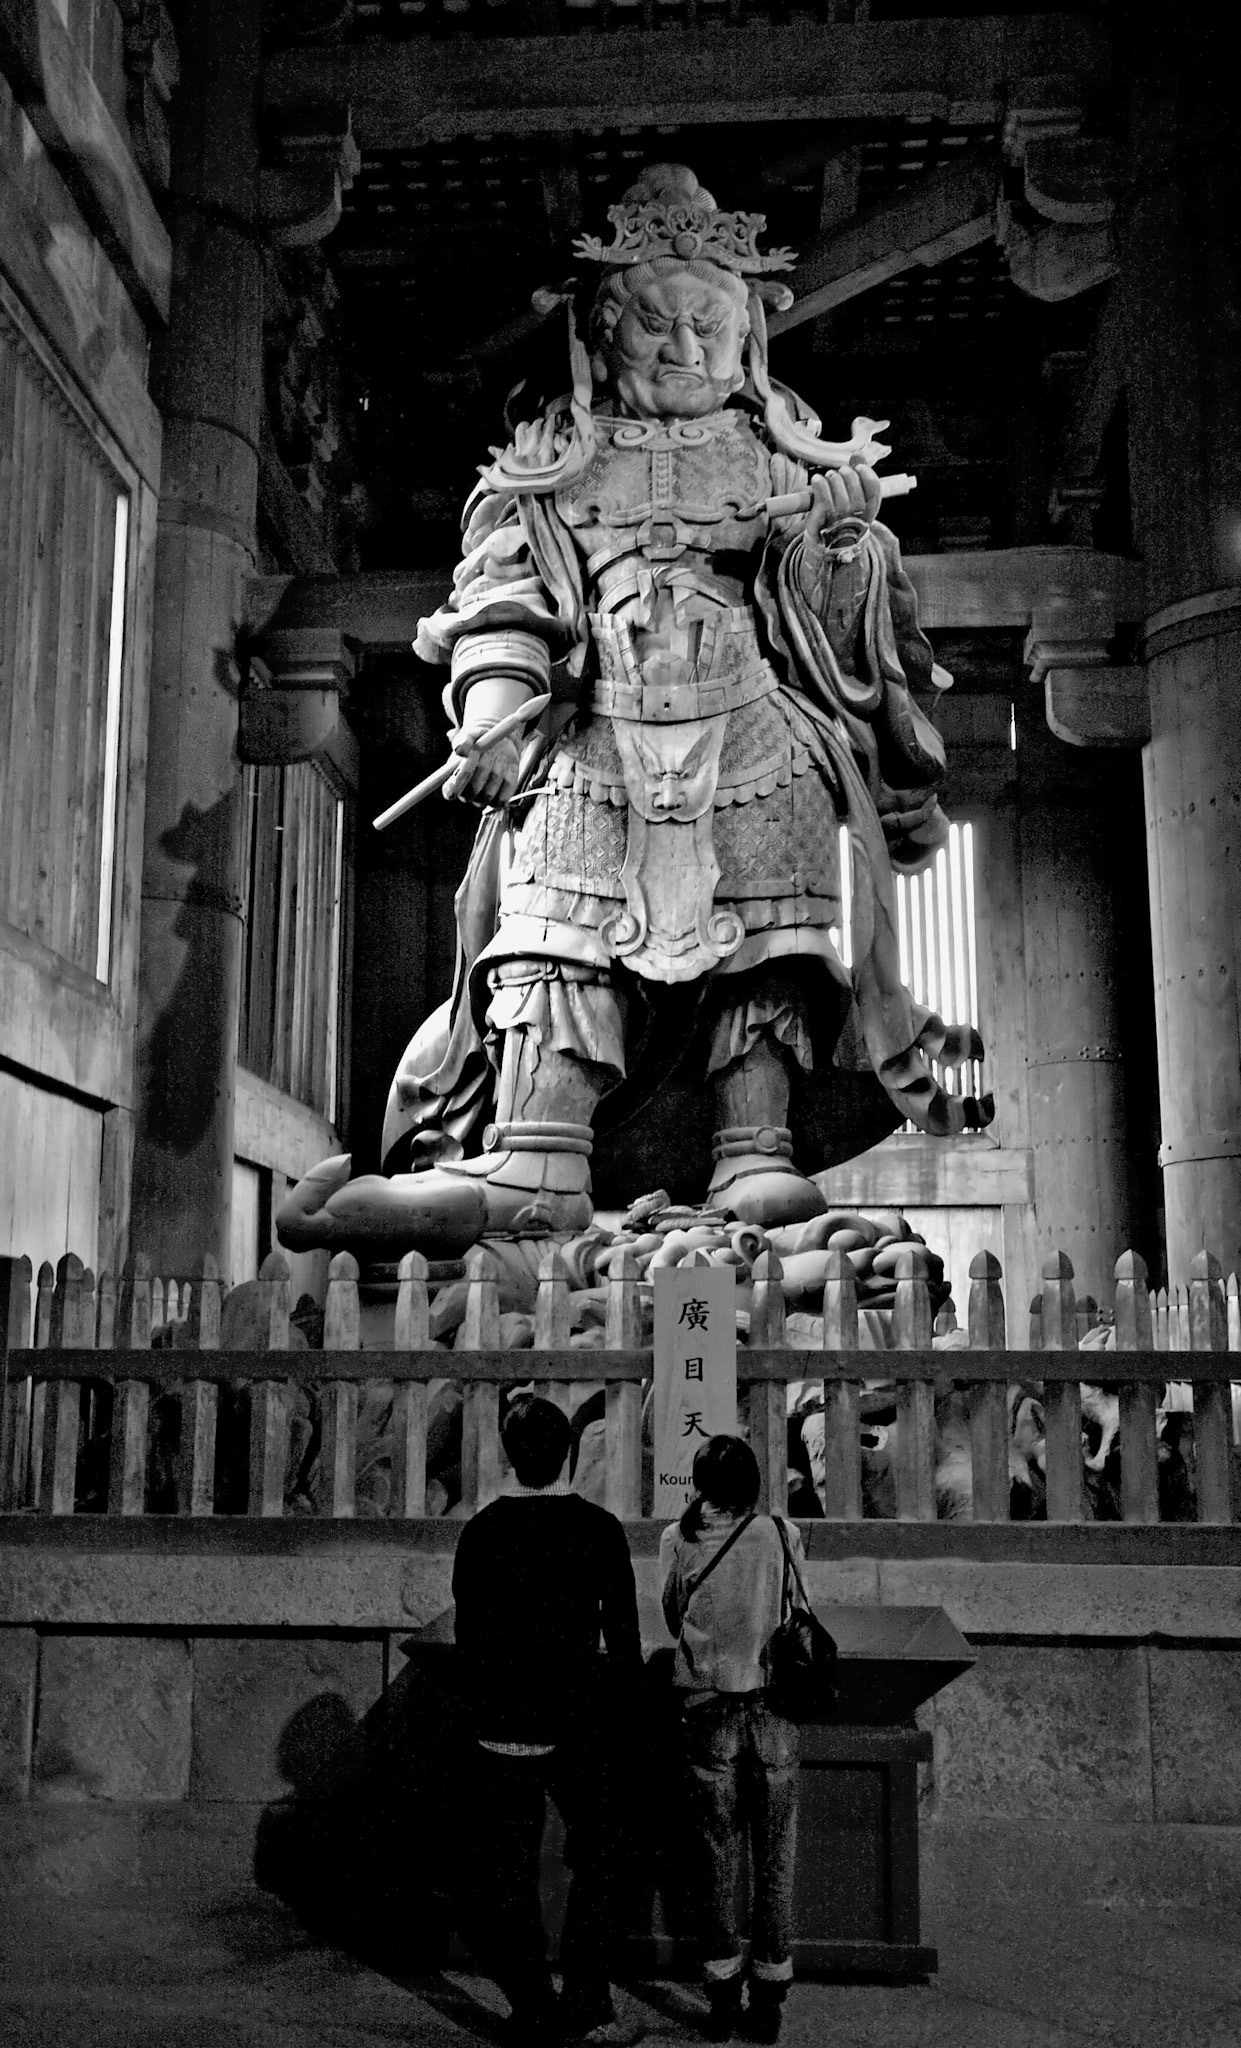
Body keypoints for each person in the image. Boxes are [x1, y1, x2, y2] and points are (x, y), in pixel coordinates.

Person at [277, 160, 989, 1261]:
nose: (681, 348)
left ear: (744, 339)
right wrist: (501, 707)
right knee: (553, 929)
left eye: (706, 326)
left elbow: (833, 616)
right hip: (593, 732)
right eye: (651, 324)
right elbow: (502, 593)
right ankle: (536, 1148)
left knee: (763, 943)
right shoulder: (551, 463)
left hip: (748, 729)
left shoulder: (781, 453)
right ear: (600, 335)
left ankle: (753, 1144)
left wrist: (839, 544)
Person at [451, 1395, 645, 2043]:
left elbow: (469, 1638)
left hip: (502, 1722)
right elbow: (622, 1643)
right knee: (601, 1852)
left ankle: (531, 2003)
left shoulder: (480, 1531)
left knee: (509, 1866)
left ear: (507, 1454)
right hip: (578, 1719)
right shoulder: (598, 1529)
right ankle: (586, 1996)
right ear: (568, 1451)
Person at [659, 1435, 808, 2043]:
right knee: (775, 1853)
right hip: (774, 1706)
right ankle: (769, 1996)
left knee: (714, 1853)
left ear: (699, 1484)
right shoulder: (782, 1533)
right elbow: (799, 1609)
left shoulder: (679, 1537)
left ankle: (723, 1993)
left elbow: (671, 1614)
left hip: (708, 1705)